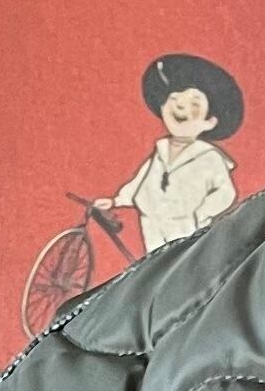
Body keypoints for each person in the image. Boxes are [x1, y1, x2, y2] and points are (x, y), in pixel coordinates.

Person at [101, 52, 243, 252]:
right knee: (154, 259)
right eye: (174, 98)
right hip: (152, 220)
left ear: (209, 121)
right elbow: (141, 181)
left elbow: (226, 192)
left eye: (194, 104)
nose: (180, 107)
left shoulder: (209, 157)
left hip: (185, 226)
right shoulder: (161, 151)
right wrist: (116, 200)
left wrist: (201, 214)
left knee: (180, 261)